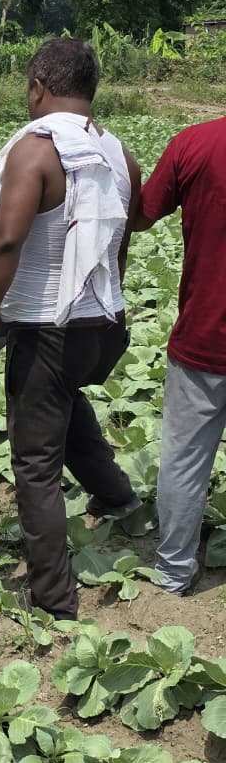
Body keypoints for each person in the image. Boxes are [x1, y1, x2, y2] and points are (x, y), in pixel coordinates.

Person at [0, 38, 142, 622]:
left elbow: (7, 240)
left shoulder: (37, 152)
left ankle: (55, 600)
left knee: (34, 461)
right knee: (64, 403)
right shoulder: (119, 154)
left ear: (37, 86)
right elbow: (121, 241)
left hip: (50, 326)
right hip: (104, 325)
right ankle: (116, 494)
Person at [132, 116, 226, 594]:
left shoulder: (195, 143)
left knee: (185, 461)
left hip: (203, 335)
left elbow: (143, 214)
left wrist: (124, 167)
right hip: (203, 340)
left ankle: (173, 572)